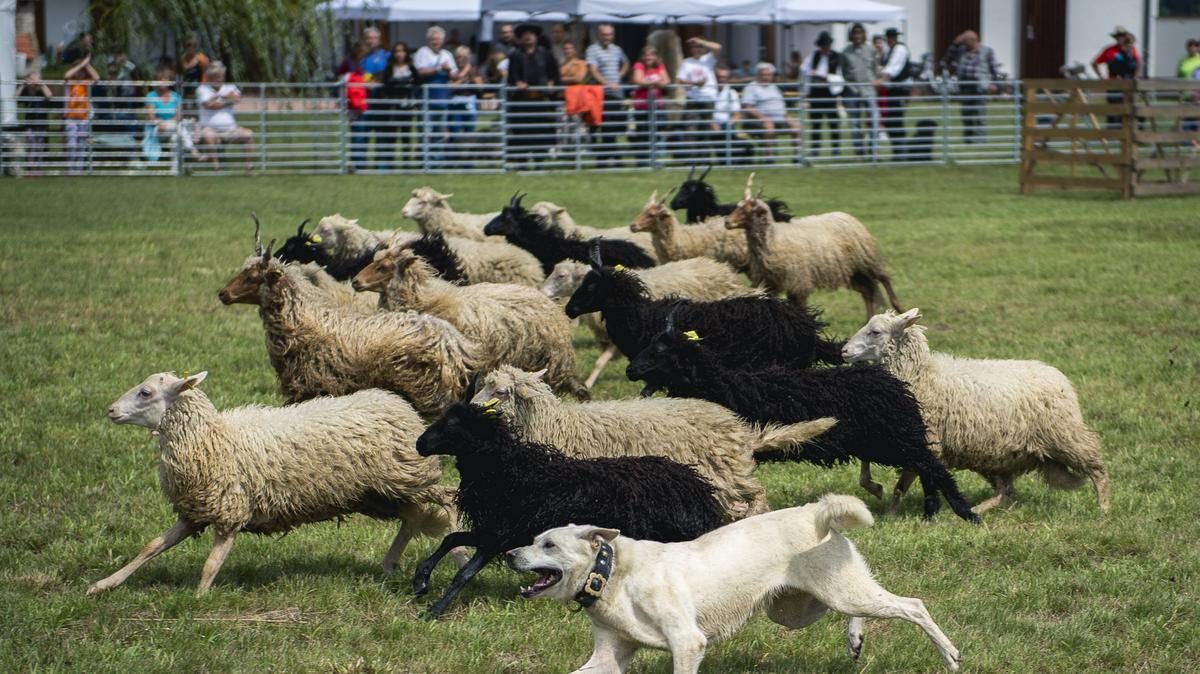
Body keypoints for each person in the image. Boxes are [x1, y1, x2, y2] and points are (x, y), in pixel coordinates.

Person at [507, 24, 560, 163]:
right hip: (521, 101)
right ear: (521, 38)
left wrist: (551, 82)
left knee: (540, 130)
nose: (528, 37)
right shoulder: (515, 55)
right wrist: (517, 82)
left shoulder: (545, 54)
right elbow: (511, 76)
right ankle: (522, 161)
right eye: (525, 34)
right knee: (522, 131)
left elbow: (555, 74)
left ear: (536, 37)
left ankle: (539, 160)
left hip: (540, 99)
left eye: (531, 34)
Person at [195, 61, 254, 171]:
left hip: (230, 129)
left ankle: (249, 168)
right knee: (208, 135)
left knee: (248, 134)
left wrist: (217, 98)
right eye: (217, 77)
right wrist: (226, 99)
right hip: (209, 129)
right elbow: (208, 105)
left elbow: (236, 98)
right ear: (209, 77)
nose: (220, 79)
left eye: (221, 76)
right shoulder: (202, 89)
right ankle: (216, 167)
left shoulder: (230, 87)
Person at [586, 24, 629, 168]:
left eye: (610, 35)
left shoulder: (617, 49)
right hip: (601, 95)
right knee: (605, 128)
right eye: (604, 35)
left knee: (613, 128)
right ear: (599, 35)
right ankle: (612, 160)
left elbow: (626, 63)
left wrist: (620, 75)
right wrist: (607, 83)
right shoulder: (593, 49)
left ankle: (605, 160)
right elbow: (593, 70)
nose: (607, 38)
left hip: (616, 95)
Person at [741, 62, 803, 163]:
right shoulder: (751, 87)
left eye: (768, 75)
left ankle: (797, 157)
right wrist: (763, 117)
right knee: (769, 127)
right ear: (758, 75)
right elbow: (747, 107)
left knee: (796, 126)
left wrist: (787, 117)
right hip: (757, 121)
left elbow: (781, 106)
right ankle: (769, 158)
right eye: (763, 75)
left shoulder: (774, 88)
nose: (766, 77)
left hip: (779, 119)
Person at [415, 25, 458, 163]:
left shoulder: (447, 54)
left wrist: (449, 71)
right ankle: (426, 161)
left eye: (438, 39)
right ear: (428, 40)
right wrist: (439, 68)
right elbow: (420, 71)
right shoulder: (423, 52)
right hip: (426, 99)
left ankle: (437, 161)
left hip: (442, 99)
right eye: (433, 39)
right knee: (426, 131)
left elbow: (454, 75)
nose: (436, 42)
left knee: (440, 131)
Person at [953, 30, 1002, 145]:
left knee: (979, 114)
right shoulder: (961, 51)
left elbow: (995, 68)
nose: (964, 44)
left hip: (980, 87)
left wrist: (996, 84)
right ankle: (968, 140)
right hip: (965, 87)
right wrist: (955, 43)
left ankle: (980, 141)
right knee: (966, 114)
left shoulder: (986, 51)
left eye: (966, 41)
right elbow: (948, 56)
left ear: (973, 40)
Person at [676, 36, 721, 159]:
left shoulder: (709, 59)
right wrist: (694, 84)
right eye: (695, 47)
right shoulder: (687, 62)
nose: (698, 49)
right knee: (691, 128)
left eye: (700, 47)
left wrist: (702, 41)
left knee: (705, 129)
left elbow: (718, 47)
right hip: (693, 99)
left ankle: (704, 158)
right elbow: (680, 79)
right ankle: (691, 158)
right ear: (691, 49)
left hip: (708, 98)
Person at [376, 41, 418, 169]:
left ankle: (407, 164)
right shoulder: (389, 68)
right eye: (397, 51)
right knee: (392, 136)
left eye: (402, 51)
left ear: (406, 53)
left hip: (406, 106)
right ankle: (390, 163)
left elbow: (417, 83)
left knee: (406, 136)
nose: (399, 54)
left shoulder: (411, 68)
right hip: (393, 106)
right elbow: (385, 85)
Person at [801, 31, 843, 157]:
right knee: (815, 122)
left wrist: (822, 75)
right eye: (823, 45)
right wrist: (812, 74)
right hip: (816, 92)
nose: (825, 48)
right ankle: (815, 149)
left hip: (830, 92)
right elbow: (804, 69)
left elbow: (839, 76)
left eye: (827, 45)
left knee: (833, 122)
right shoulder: (813, 56)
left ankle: (836, 149)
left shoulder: (837, 57)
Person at [842, 22, 879, 158]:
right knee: (855, 123)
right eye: (855, 33)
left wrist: (875, 81)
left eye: (860, 33)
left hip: (869, 90)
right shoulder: (846, 52)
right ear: (851, 35)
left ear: (864, 35)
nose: (857, 35)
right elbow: (844, 71)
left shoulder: (871, 50)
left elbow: (875, 69)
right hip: (853, 91)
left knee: (874, 119)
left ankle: (873, 151)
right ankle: (859, 151)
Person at [1093, 27, 1141, 128]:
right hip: (1114, 85)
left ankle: (1129, 134)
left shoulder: (1132, 51)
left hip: (1129, 86)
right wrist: (1101, 77)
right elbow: (1095, 63)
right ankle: (1113, 135)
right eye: (1118, 36)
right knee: (1113, 111)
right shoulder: (1109, 50)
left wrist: (1135, 79)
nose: (1120, 38)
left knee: (1129, 111)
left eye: (1122, 36)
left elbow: (1138, 66)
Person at [875, 27, 912, 158]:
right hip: (891, 90)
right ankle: (897, 151)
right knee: (890, 120)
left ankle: (901, 152)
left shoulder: (900, 49)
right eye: (889, 37)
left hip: (899, 90)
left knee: (896, 120)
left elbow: (892, 69)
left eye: (892, 36)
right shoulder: (889, 51)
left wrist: (880, 80)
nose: (890, 39)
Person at [630, 46, 669, 166]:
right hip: (642, 106)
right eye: (647, 55)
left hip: (657, 106)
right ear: (643, 56)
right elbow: (637, 80)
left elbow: (667, 81)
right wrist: (655, 83)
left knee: (656, 134)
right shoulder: (639, 66)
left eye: (652, 55)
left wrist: (653, 83)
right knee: (643, 134)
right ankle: (642, 161)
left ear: (656, 56)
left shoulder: (659, 66)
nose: (649, 58)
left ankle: (654, 160)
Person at [63, 52, 99, 174]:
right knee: (72, 143)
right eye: (78, 70)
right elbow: (66, 75)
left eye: (82, 71)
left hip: (84, 117)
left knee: (81, 144)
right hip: (71, 117)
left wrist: (86, 65)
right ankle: (70, 169)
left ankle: (78, 170)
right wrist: (80, 65)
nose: (80, 73)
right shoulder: (70, 82)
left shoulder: (86, 82)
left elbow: (97, 78)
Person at [16, 71, 53, 171]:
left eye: (35, 79)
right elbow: (16, 97)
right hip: (30, 123)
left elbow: (49, 95)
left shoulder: (41, 90)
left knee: (39, 145)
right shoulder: (25, 92)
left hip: (41, 123)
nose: (33, 81)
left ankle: (37, 167)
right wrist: (23, 84)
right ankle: (31, 167)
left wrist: (41, 83)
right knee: (31, 144)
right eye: (31, 79)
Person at [144, 66, 183, 162]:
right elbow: (151, 117)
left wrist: (167, 125)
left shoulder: (176, 96)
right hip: (157, 128)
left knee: (175, 137)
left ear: (170, 82)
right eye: (159, 79)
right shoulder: (150, 96)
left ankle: (174, 168)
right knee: (180, 131)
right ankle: (193, 152)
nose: (162, 82)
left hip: (170, 127)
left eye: (165, 79)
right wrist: (160, 124)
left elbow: (178, 116)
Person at [343, 43, 372, 171]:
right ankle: (357, 164)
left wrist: (367, 81)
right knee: (357, 134)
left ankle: (361, 163)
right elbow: (343, 78)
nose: (363, 54)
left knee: (363, 134)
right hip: (353, 105)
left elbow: (367, 77)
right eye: (361, 51)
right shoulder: (348, 64)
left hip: (363, 102)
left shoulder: (363, 65)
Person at [449, 45, 482, 143]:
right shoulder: (452, 70)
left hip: (470, 104)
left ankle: (467, 155)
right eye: (458, 57)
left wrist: (470, 76)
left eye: (464, 57)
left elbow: (480, 86)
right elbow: (451, 87)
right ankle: (453, 155)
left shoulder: (474, 70)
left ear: (468, 58)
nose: (460, 59)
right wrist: (462, 77)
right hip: (455, 105)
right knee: (454, 131)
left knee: (469, 131)